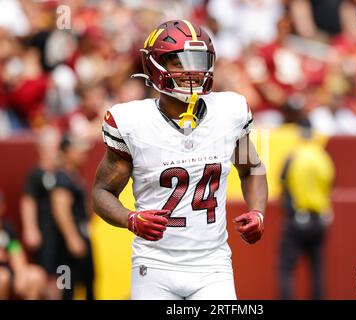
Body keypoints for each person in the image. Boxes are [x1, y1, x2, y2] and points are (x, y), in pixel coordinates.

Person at [92, 19, 268, 300]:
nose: (191, 71)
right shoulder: (133, 122)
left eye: (198, 60)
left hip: (212, 265)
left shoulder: (230, 112)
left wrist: (258, 210)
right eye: (179, 62)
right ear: (154, 65)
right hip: (155, 265)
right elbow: (101, 192)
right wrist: (131, 219)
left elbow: (252, 169)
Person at [279, 120, 335, 300]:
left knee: (286, 267)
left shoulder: (293, 157)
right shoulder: (323, 157)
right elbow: (330, 183)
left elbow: (283, 183)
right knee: (317, 268)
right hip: (319, 218)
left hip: (297, 217)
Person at [20, 126, 62, 299]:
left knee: (61, 276)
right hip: (45, 233)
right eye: (54, 147)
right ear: (44, 149)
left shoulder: (61, 174)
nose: (57, 151)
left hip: (60, 234)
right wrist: (30, 229)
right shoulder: (35, 175)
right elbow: (28, 201)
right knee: (46, 276)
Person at [51, 136, 94, 300]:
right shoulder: (62, 178)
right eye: (78, 149)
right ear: (67, 152)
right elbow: (60, 209)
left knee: (88, 284)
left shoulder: (74, 177)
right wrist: (72, 238)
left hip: (82, 236)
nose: (83, 153)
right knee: (67, 286)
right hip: (68, 245)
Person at [0, 190, 46, 299]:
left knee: (36, 275)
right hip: (3, 275)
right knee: (2, 278)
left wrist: (20, 273)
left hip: (9, 269)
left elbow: (15, 250)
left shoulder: (7, 228)